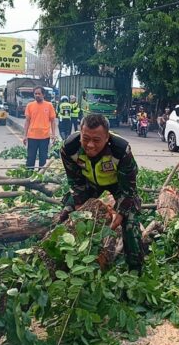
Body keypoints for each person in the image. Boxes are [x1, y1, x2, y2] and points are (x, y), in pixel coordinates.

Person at [59, 114, 144, 272]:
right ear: (80, 134)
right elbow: (74, 181)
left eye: (96, 140)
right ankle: (67, 261)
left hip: (118, 185)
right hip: (89, 184)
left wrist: (121, 213)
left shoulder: (121, 150)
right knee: (66, 214)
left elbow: (129, 188)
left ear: (107, 137)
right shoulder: (69, 148)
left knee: (130, 222)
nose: (90, 145)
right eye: (85, 139)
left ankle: (135, 268)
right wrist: (78, 203)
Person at [23, 86, 57, 170]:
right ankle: (29, 177)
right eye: (35, 94)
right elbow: (27, 121)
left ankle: (40, 177)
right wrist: (25, 136)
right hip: (32, 137)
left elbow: (53, 121)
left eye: (39, 93)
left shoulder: (49, 105)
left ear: (43, 95)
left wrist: (53, 134)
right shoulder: (30, 105)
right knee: (30, 158)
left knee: (43, 159)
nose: (37, 95)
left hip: (44, 137)